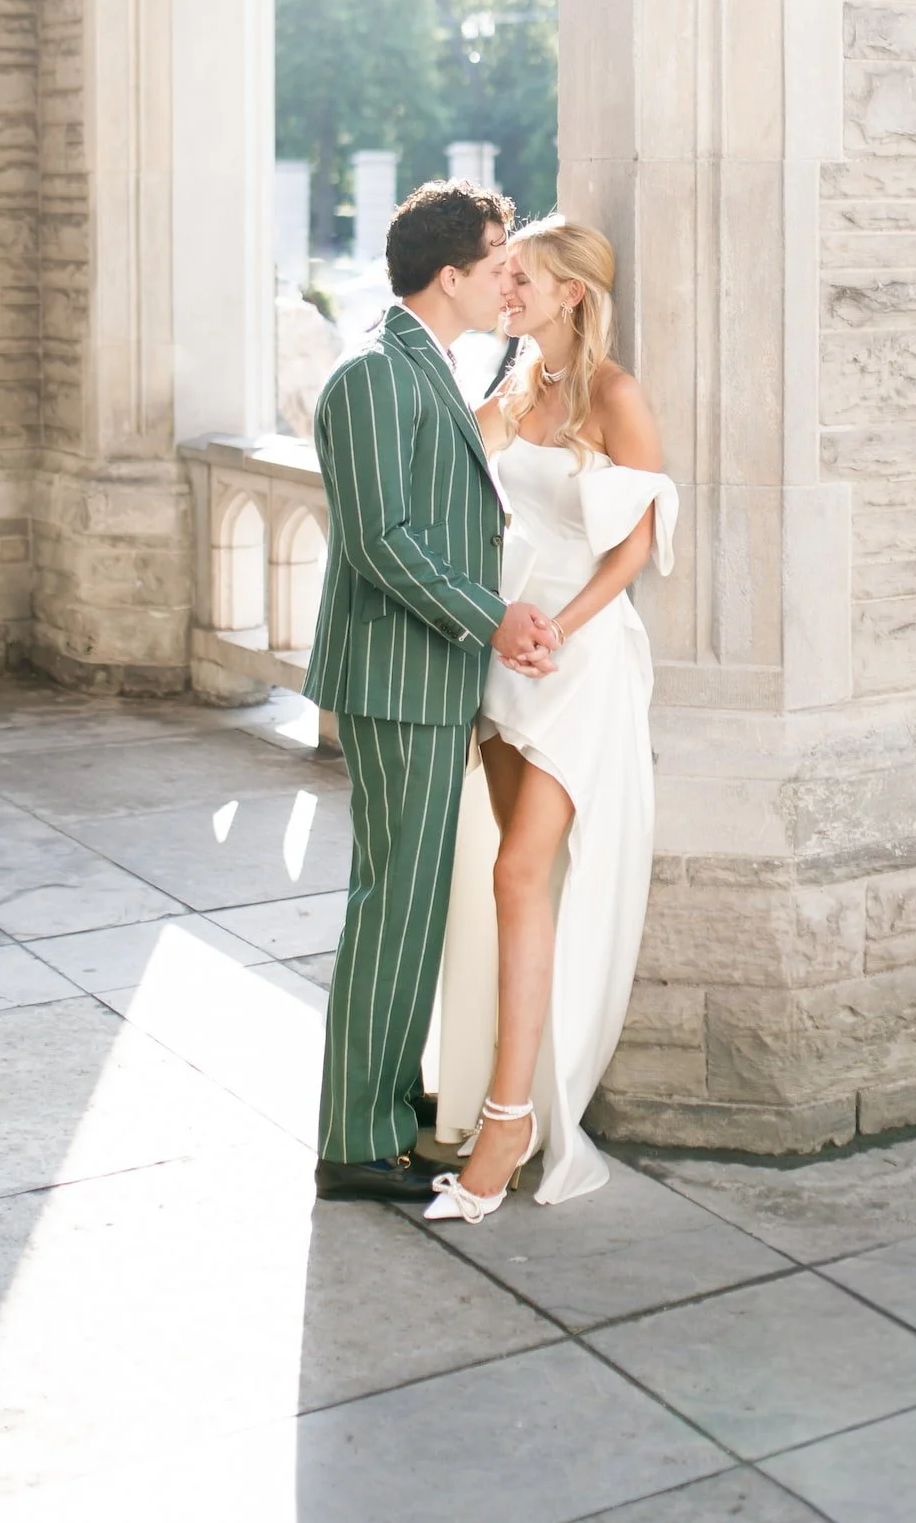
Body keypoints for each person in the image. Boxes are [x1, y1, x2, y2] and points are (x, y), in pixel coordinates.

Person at [305, 181, 559, 1205]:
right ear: (448, 275)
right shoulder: (374, 373)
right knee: (393, 907)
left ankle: (382, 1100)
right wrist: (489, 617)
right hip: (396, 677)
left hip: (427, 676)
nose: (508, 278)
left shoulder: (427, 364)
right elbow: (379, 541)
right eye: (497, 262)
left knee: (407, 903)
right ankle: (356, 1142)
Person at [426, 215, 676, 1219]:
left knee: (518, 871)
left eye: (520, 277)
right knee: (518, 882)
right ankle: (509, 1088)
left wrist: (557, 631)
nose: (506, 289)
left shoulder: (615, 396)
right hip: (509, 644)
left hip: (577, 654)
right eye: (502, 275)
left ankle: (509, 1118)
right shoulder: (519, 387)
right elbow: (448, 454)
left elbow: (637, 545)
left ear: (571, 291)